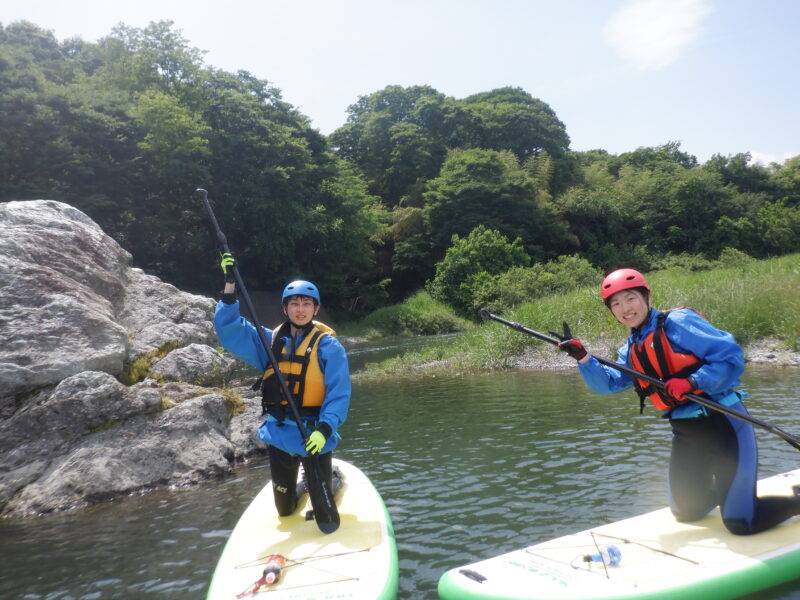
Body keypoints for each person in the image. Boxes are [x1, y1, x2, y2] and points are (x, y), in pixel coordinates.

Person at [556, 267, 800, 535]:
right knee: (686, 512)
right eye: (616, 304)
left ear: (645, 297)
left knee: (742, 522)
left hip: (725, 425)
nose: (625, 308)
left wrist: (694, 382)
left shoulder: (678, 323)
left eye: (630, 298)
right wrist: (583, 359)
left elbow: (730, 357)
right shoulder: (632, 347)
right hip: (686, 434)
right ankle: (727, 492)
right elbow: (610, 384)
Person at [213, 253, 351, 516]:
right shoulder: (270, 342)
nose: (300, 309)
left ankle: (330, 480)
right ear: (284, 309)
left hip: (314, 435)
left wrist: (324, 428)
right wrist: (230, 286)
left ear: (315, 309)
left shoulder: (329, 347)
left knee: (321, 505)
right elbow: (230, 331)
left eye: (306, 303)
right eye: (294, 304)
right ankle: (305, 484)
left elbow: (339, 394)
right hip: (279, 434)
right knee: (285, 510)